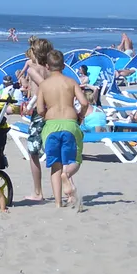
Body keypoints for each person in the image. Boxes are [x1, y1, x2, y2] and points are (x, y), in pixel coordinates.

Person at [36, 50, 88, 209]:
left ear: (47, 66)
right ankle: (68, 175)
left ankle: (58, 203)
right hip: (70, 123)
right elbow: (85, 103)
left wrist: (47, 114)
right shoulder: (71, 82)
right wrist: (81, 116)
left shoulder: (44, 85)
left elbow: (39, 110)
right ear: (64, 65)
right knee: (74, 160)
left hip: (51, 126)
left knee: (55, 165)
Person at [23, 39, 53, 201]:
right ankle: (67, 189)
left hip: (39, 113)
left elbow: (42, 87)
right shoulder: (51, 70)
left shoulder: (34, 69)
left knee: (33, 151)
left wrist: (31, 105)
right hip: (53, 111)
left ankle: (38, 192)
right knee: (54, 150)